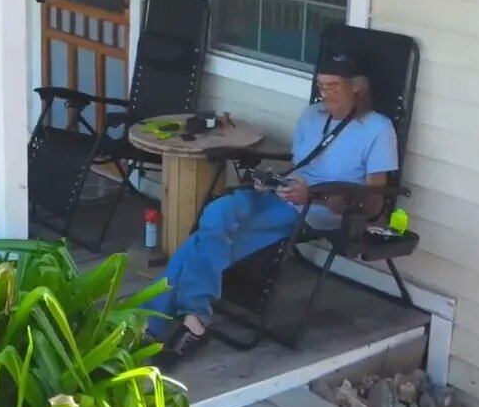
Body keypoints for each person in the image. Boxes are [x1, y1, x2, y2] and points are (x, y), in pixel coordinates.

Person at [144, 50, 399, 365]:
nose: (324, 94)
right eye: (321, 86)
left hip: (314, 211)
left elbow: (373, 202)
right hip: (281, 195)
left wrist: (314, 197)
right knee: (217, 212)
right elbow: (300, 166)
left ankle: (159, 324)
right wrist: (271, 180)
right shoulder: (312, 116)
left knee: (204, 243)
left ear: (357, 87)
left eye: (333, 87)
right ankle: (190, 319)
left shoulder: (378, 129)